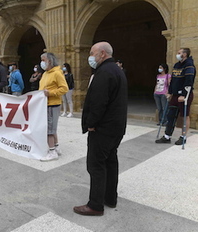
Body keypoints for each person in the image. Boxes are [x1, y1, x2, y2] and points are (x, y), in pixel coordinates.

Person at [73, 42, 127, 216]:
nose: (90, 56)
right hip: (116, 127)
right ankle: (110, 198)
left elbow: (98, 102)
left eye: (92, 53)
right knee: (110, 162)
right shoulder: (117, 70)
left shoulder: (103, 73)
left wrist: (91, 123)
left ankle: (95, 205)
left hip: (102, 129)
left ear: (102, 53)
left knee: (96, 165)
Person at [155, 48, 196, 145]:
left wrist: (184, 95)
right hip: (175, 95)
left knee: (184, 116)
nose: (177, 54)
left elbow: (189, 81)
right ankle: (167, 136)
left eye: (179, 53)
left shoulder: (189, 65)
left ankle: (183, 136)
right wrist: (169, 92)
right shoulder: (177, 65)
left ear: (185, 54)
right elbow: (173, 80)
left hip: (184, 95)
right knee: (171, 115)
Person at [38, 53, 69, 162]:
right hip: (45, 104)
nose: (41, 62)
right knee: (52, 127)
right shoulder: (45, 73)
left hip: (52, 104)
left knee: (49, 129)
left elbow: (64, 88)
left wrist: (50, 93)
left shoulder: (57, 73)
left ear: (50, 61)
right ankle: (56, 146)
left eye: (43, 60)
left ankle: (52, 151)